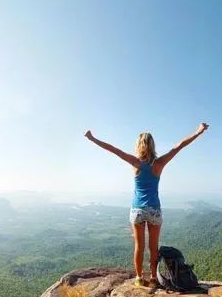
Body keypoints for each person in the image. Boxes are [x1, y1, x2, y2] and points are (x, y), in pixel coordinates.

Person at [84, 123, 209, 287]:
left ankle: (138, 278)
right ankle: (153, 278)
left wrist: (92, 138)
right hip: (154, 210)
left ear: (139, 146)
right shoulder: (159, 163)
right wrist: (199, 131)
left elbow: (113, 149)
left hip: (137, 210)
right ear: (153, 145)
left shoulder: (135, 163)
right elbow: (179, 146)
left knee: (139, 246)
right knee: (153, 248)